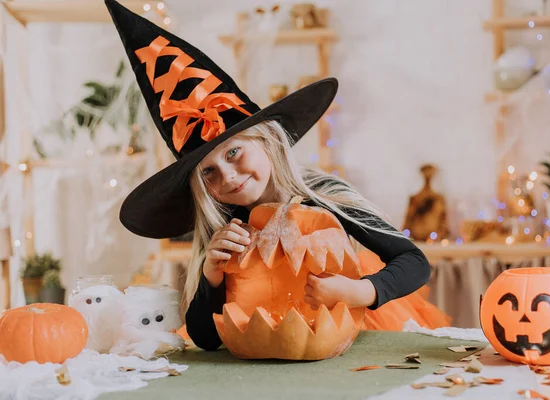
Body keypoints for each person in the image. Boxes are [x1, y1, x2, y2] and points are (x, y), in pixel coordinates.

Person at [105, 0, 451, 352]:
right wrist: (211, 274)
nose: (228, 176)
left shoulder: (325, 195)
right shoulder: (222, 226)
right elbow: (206, 339)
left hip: (342, 332)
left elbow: (414, 262)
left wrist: (361, 290)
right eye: (208, 171)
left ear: (268, 140)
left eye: (234, 152)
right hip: (261, 349)